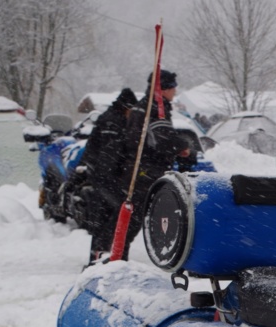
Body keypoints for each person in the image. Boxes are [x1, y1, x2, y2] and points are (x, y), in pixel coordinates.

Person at [117, 69, 191, 260]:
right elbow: (163, 139)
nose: (175, 91)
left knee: (134, 214)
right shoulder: (156, 108)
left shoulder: (144, 106)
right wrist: (183, 147)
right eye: (173, 87)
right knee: (152, 214)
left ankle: (117, 253)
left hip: (137, 167)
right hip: (147, 170)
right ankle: (166, 255)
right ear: (164, 88)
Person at [76, 87, 138, 266]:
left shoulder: (106, 118)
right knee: (117, 216)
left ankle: (96, 259)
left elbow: (91, 148)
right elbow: (111, 154)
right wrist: (118, 176)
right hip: (107, 179)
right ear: (127, 107)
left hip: (99, 177)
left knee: (101, 220)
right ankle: (109, 259)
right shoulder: (115, 122)